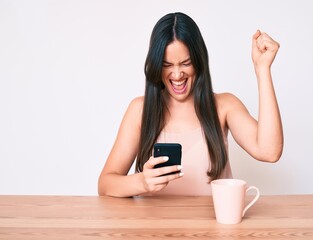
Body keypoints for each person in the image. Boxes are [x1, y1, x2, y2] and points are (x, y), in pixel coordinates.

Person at [98, 12, 283, 197]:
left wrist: (262, 69)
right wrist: (141, 182)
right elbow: (105, 185)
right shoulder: (139, 110)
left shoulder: (224, 105)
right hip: (154, 226)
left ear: (198, 60)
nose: (177, 75)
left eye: (186, 63)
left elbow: (269, 152)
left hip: (210, 226)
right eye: (167, 64)